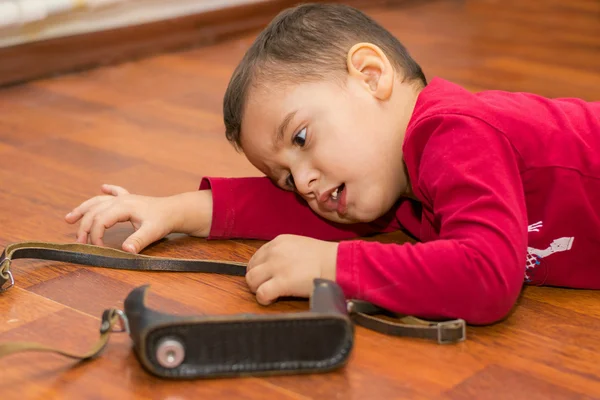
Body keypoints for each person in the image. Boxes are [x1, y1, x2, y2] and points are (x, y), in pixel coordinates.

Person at [65, 3, 600, 325]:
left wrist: (334, 268)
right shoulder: (390, 179)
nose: (303, 182)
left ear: (371, 76)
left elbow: (487, 277)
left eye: (300, 137)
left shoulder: (454, 132)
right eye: (286, 176)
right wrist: (171, 210)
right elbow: (281, 209)